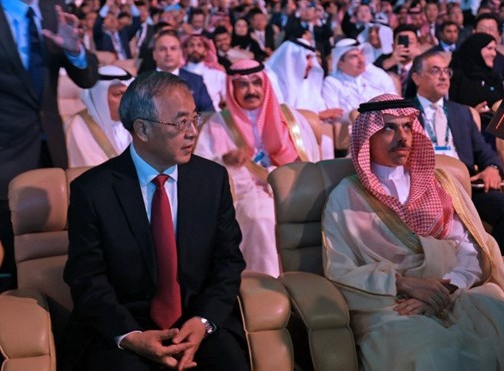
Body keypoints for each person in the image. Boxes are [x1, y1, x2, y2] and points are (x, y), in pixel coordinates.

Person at [321, 93, 504, 371]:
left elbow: (471, 248)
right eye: (389, 128)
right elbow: (339, 270)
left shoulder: (440, 184)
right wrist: (404, 285)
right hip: (391, 305)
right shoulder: (346, 198)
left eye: (407, 126)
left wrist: (445, 289)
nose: (402, 137)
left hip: (456, 293)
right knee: (433, 358)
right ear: (367, 136)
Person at [64, 71, 247, 370]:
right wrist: (131, 336)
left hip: (196, 322)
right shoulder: (93, 191)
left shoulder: (211, 179)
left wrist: (203, 321)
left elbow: (228, 263)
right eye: (180, 123)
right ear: (143, 129)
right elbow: (87, 279)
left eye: (194, 119)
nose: (193, 132)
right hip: (124, 330)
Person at [0, 0, 99, 287]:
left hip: (51, 156)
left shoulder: (55, 9)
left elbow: (88, 78)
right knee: (11, 270)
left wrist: (75, 50)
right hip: (3, 159)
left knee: (55, 265)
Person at [195, 60, 319, 276]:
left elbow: (310, 159)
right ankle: (268, 284)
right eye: (243, 85)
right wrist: (225, 161)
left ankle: (304, 281)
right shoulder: (218, 123)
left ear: (265, 85)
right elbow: (201, 167)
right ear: (232, 89)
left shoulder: (290, 117)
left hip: (291, 188)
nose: (251, 90)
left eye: (256, 83)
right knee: (261, 218)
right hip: (244, 192)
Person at [410, 50, 504, 256]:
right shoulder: (404, 113)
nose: (443, 77)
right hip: (423, 189)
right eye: (435, 71)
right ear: (416, 77)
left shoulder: (462, 112)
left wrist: (492, 168)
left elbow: (485, 152)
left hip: (465, 189)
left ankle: (500, 265)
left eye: (447, 71)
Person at [65, 65, 134, 167]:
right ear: (99, 97)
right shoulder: (77, 126)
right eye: (118, 94)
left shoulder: (136, 122)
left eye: (128, 94)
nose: (126, 100)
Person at [322, 38, 397, 121]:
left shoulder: (376, 74)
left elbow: (394, 101)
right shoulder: (331, 82)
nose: (361, 60)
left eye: (361, 54)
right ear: (340, 63)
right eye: (354, 56)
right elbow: (335, 115)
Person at [151, 28, 215, 113]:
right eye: (162, 49)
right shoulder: (143, 83)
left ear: (180, 52)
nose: (168, 53)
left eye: (173, 48)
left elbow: (209, 114)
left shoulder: (196, 81)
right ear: (154, 54)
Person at [181, 33, 226, 111]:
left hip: (214, 115)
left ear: (205, 51)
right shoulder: (178, 74)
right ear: (185, 50)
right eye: (191, 45)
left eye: (199, 45)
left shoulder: (218, 75)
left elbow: (227, 102)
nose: (195, 49)